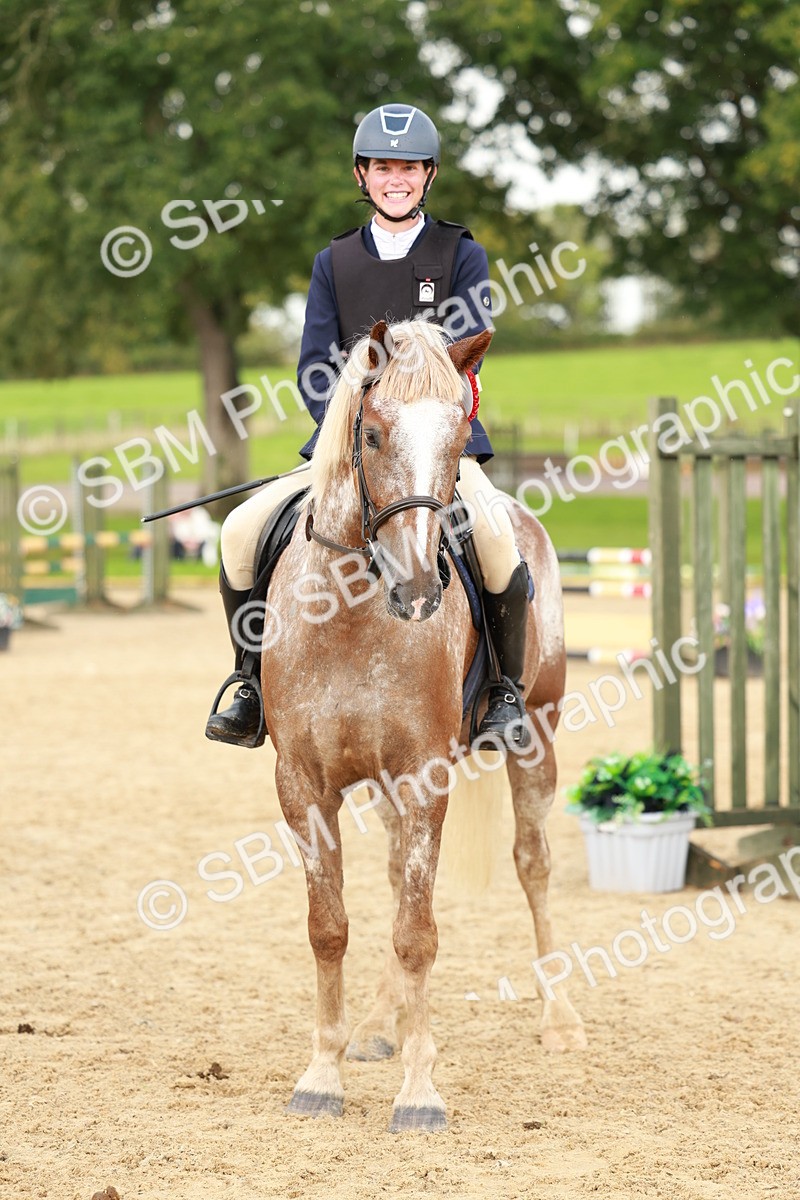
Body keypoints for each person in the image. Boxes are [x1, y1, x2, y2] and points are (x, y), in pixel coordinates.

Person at [205, 103, 532, 750]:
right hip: (351, 445)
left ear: (428, 176)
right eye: (384, 168)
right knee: (241, 532)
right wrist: (351, 436)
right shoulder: (334, 262)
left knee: (497, 542)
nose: (396, 179)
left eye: (408, 168)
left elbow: (469, 349)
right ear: (363, 175)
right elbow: (314, 367)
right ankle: (249, 682)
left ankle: (503, 693)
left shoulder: (462, 254)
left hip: (434, 450)